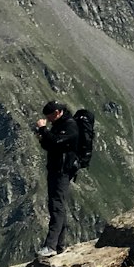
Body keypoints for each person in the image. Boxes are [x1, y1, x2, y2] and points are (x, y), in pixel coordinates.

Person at [33, 101, 80, 257]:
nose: (48, 118)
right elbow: (51, 145)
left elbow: (56, 141)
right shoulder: (60, 124)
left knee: (56, 206)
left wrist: (43, 129)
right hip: (56, 169)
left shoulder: (70, 125)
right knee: (57, 205)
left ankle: (51, 246)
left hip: (62, 171)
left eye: (50, 115)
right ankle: (59, 245)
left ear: (58, 112)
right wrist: (43, 136)